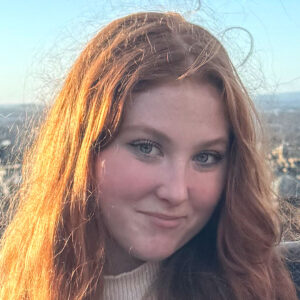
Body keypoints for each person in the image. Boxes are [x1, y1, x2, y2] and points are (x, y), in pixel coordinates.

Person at [0, 11, 298, 300]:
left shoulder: (261, 287)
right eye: (146, 147)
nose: (176, 192)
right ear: (82, 149)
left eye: (206, 157)